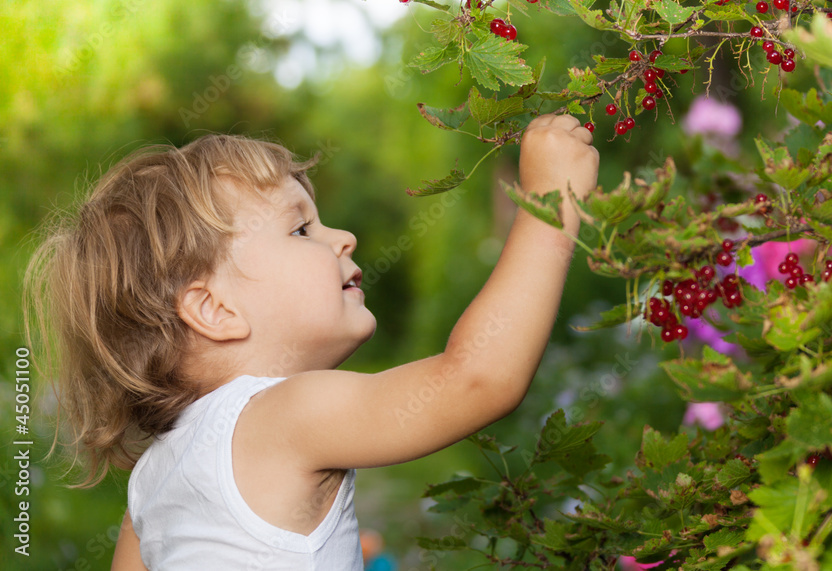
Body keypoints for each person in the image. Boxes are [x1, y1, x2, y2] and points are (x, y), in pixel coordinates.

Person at [23, 114, 599, 570]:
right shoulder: (282, 416)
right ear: (214, 310)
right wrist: (551, 203)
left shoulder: (152, 482)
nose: (343, 237)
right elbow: (476, 378)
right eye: (301, 229)